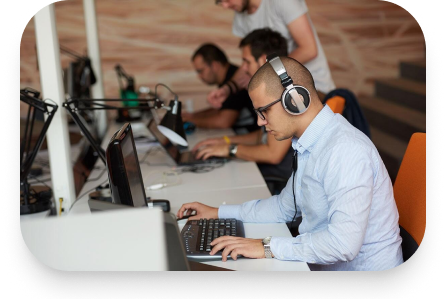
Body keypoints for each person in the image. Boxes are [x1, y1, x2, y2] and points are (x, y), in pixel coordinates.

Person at [178, 56, 403, 271]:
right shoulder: (309, 143)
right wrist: (219, 212)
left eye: (264, 111)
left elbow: (343, 245)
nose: (259, 121)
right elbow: (283, 207)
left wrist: (266, 246)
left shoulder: (345, 150)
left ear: (295, 99)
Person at [193, 29, 294, 186]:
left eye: (246, 61)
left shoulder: (284, 95)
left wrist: (230, 150)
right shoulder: (273, 88)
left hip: (282, 178)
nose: (243, 68)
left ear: (262, 61)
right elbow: (262, 136)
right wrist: (224, 141)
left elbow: (273, 154)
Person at [207, 0, 336, 109]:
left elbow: (309, 50)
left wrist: (266, 71)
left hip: (315, 91)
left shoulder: (282, 2)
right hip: (281, 95)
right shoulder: (240, 17)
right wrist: (228, 89)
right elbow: (249, 61)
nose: (224, 6)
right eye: (220, 2)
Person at [184, 43, 259, 135]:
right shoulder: (228, 79)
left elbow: (224, 121)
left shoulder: (234, 78)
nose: (199, 76)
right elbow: (221, 109)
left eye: (200, 71)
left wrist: (190, 120)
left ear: (215, 65)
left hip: (254, 137)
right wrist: (192, 115)